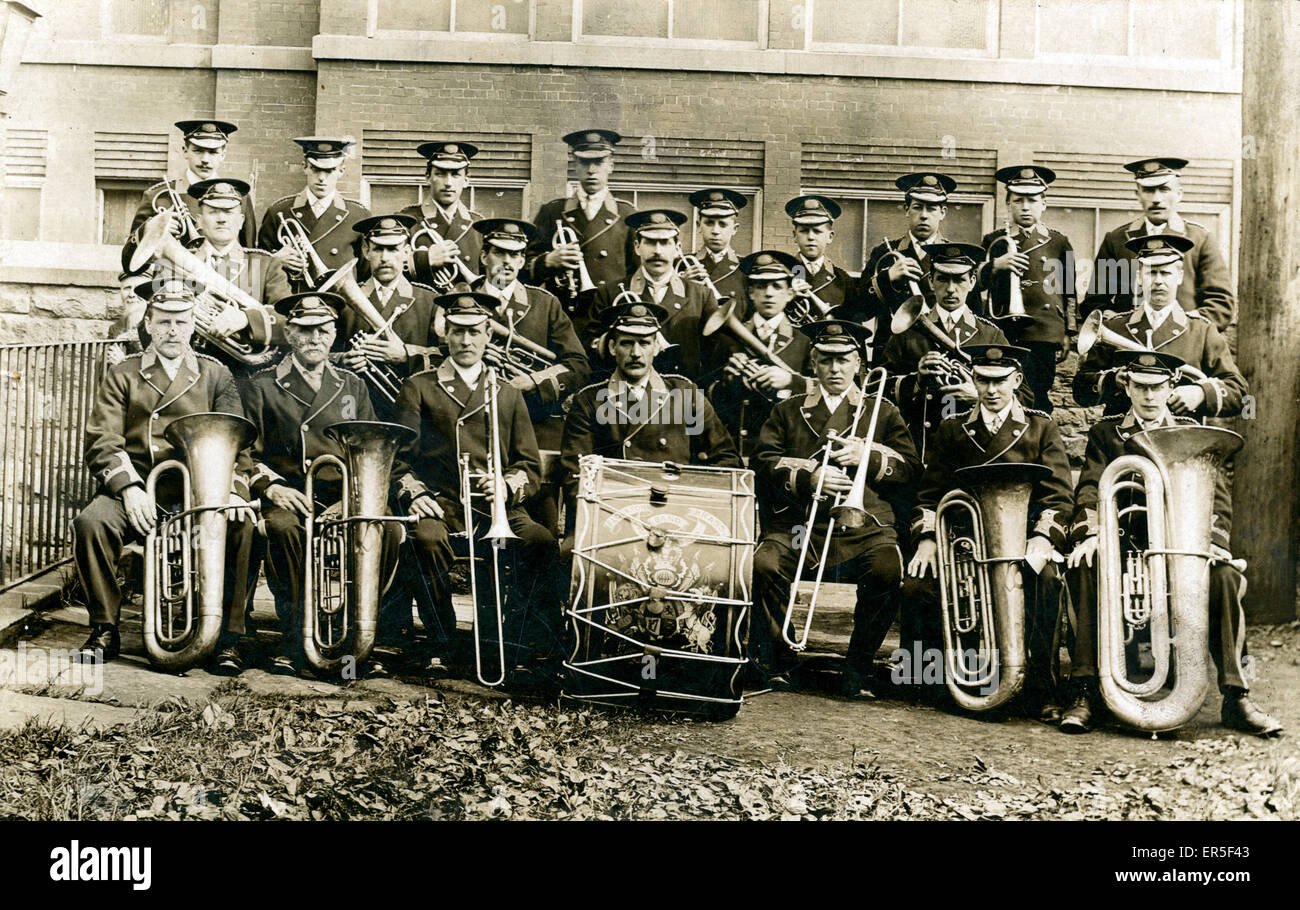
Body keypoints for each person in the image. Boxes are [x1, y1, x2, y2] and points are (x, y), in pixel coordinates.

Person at [1060, 349, 1281, 736]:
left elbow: (1217, 499)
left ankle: (1236, 696)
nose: (1149, 396)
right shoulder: (1105, 433)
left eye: (1158, 387)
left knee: (1225, 577)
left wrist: (1214, 544)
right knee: (1085, 567)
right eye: (1141, 387)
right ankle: (1085, 691)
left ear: (1171, 387)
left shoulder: (1190, 430)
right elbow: (1090, 489)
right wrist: (1091, 534)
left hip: (1180, 547)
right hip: (1124, 548)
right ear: (1127, 387)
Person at [72, 280, 257, 672]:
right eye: (164, 322)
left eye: (182, 321)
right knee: (92, 522)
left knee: (242, 525)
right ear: (149, 324)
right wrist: (129, 488)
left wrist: (235, 491)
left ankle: (228, 638)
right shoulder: (124, 374)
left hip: (200, 492)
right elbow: (102, 439)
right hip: (140, 487)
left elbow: (237, 441)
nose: (173, 331)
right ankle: (105, 627)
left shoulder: (216, 374)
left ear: (193, 325)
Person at [391, 293, 561, 682]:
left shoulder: (507, 392)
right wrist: (415, 493)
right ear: (445, 335)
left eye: (474, 332)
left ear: (488, 336)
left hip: (496, 506)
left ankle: (515, 643)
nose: (465, 341)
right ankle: (440, 642)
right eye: (457, 332)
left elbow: (528, 465)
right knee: (425, 540)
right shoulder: (419, 387)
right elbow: (399, 460)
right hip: (441, 502)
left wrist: (505, 485)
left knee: (540, 542)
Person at [750, 319, 918, 696]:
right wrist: (809, 478)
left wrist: (868, 458)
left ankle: (858, 667)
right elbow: (762, 462)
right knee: (764, 565)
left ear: (858, 363)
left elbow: (910, 469)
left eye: (843, 360)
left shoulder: (883, 410)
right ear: (813, 363)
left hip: (864, 527)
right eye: (826, 360)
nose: (835, 368)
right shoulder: (788, 410)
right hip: (800, 526)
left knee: (887, 570)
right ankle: (782, 659)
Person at [904, 344, 1073, 719]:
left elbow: (1059, 496)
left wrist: (1043, 537)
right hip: (966, 542)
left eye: (1000, 381)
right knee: (918, 585)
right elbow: (929, 496)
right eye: (982, 380)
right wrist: (928, 539)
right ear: (974, 379)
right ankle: (940, 683)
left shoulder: (1041, 426)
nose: (991, 390)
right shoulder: (953, 428)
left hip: (1024, 539)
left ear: (1017, 380)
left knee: (1047, 581)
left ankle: (1042, 689)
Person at [240, 291, 403, 678]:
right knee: (282, 528)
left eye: (323, 331)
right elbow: (244, 452)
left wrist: (352, 499)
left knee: (389, 530)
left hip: (343, 494)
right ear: (289, 334)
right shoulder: (262, 385)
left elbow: (369, 450)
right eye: (305, 330)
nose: (314, 339)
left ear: (333, 335)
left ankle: (363, 640)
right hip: (290, 494)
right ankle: (294, 638)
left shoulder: (352, 385)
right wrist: (271, 488)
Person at [453, 217, 590, 532]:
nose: (507, 261)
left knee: (541, 530)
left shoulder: (545, 303)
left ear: (523, 260)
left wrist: (533, 381)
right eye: (499, 252)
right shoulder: (461, 299)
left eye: (515, 254)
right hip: (471, 428)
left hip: (532, 428)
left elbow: (578, 365)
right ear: (484, 256)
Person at [559, 300, 741, 537]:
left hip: (678, 516)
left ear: (656, 347)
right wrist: (608, 519)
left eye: (644, 343)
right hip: (611, 518)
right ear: (612, 347)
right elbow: (576, 475)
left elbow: (726, 460)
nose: (636, 353)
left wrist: (693, 503)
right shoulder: (589, 401)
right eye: (627, 343)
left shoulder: (684, 394)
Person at [123, 178, 290, 390]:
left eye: (228, 212)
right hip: (186, 383)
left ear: (241, 221)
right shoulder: (170, 266)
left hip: (246, 383)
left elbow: (290, 321)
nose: (221, 219)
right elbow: (148, 331)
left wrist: (246, 319)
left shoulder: (265, 264)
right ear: (199, 220)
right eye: (213, 212)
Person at [881, 243, 1029, 463]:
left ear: (972, 282)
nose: (951, 289)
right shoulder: (907, 332)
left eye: (959, 280)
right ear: (931, 282)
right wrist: (916, 381)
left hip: (975, 452)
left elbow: (1025, 398)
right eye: (942, 279)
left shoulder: (991, 334)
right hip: (919, 450)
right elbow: (877, 392)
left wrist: (981, 397)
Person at [1073, 234, 1246, 417]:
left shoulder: (1202, 330)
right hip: (1122, 433)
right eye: (1151, 273)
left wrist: (1201, 393)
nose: (1158, 281)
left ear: (1179, 276)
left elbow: (1239, 392)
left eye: (1165, 273)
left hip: (1181, 433)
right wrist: (1112, 381)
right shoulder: (1114, 327)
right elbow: (1080, 391)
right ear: (1139, 278)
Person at [1079, 157, 1234, 330]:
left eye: (1164, 189)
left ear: (1179, 194)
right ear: (1137, 194)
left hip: (1183, 339)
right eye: (1148, 190)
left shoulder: (1200, 239)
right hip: (1128, 340)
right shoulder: (1117, 240)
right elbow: (1094, 303)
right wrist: (1118, 326)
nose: (1156, 199)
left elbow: (1221, 305)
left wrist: (1186, 330)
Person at [978, 165, 1078, 413]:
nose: (1025, 207)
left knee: (1039, 394)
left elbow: (1069, 290)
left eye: (1032, 200)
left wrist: (1068, 331)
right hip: (1004, 330)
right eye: (1018, 200)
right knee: (1003, 393)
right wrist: (995, 265)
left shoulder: (1058, 241)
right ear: (1008, 204)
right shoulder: (994, 240)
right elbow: (974, 282)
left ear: (1043, 204)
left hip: (1043, 332)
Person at [702, 250, 815, 459]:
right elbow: (707, 397)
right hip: (737, 447)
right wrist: (727, 383)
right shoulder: (728, 340)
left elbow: (822, 393)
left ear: (790, 294)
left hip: (782, 450)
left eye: (777, 286)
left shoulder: (804, 342)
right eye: (761, 286)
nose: (769, 293)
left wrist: (792, 381)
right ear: (751, 293)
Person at [584, 209, 718, 382]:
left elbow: (712, 356)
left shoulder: (701, 295)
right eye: (650, 242)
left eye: (665, 243)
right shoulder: (610, 293)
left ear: (677, 248)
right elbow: (592, 349)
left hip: (682, 393)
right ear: (637, 247)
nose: (657, 251)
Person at [526, 129, 636, 340]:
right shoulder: (552, 211)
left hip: (610, 321)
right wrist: (547, 261)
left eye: (599, 162)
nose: (591, 170)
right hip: (564, 320)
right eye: (585, 162)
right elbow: (523, 269)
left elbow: (637, 274)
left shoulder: (627, 215)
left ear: (611, 165)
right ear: (575, 165)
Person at [333, 214, 441, 419]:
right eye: (378, 249)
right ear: (366, 251)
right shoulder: (343, 303)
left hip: (412, 410)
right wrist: (342, 360)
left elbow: (447, 357)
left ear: (407, 252)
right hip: (354, 408)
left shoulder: (430, 301)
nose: (384, 258)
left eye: (393, 249)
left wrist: (407, 355)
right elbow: (322, 353)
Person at [257, 137, 371, 284]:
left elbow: (365, 271)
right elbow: (257, 269)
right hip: (290, 296)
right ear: (305, 167)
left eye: (329, 171)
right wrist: (275, 260)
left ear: (341, 170)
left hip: (337, 298)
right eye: (315, 170)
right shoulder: (279, 212)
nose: (322, 178)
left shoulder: (358, 215)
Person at [131, 120, 257, 248]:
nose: (205, 160)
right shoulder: (157, 196)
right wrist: (152, 230)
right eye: (198, 151)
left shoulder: (241, 198)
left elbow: (249, 252)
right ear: (185, 151)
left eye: (213, 152)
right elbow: (129, 256)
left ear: (223, 155)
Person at [861, 173, 959, 313]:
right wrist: (887, 278)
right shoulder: (883, 252)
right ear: (907, 210)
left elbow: (972, 313)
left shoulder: (956, 255)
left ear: (942, 213)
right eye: (917, 207)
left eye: (931, 209)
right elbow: (859, 310)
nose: (924, 215)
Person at [398, 140, 484, 293]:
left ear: (466, 180)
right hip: (421, 305)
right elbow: (385, 274)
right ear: (427, 177)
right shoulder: (405, 220)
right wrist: (425, 260)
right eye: (440, 174)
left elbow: (498, 278)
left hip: (467, 307)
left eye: (456, 175)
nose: (448, 183)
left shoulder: (479, 225)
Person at [679, 188, 748, 305]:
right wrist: (681, 285)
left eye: (723, 224)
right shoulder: (680, 265)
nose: (715, 231)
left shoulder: (745, 268)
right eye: (709, 223)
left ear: (734, 229)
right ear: (699, 226)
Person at [785, 195, 853, 310]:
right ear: (795, 236)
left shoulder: (843, 280)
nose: (811, 237)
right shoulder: (782, 274)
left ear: (830, 237)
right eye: (804, 231)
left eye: (817, 231)